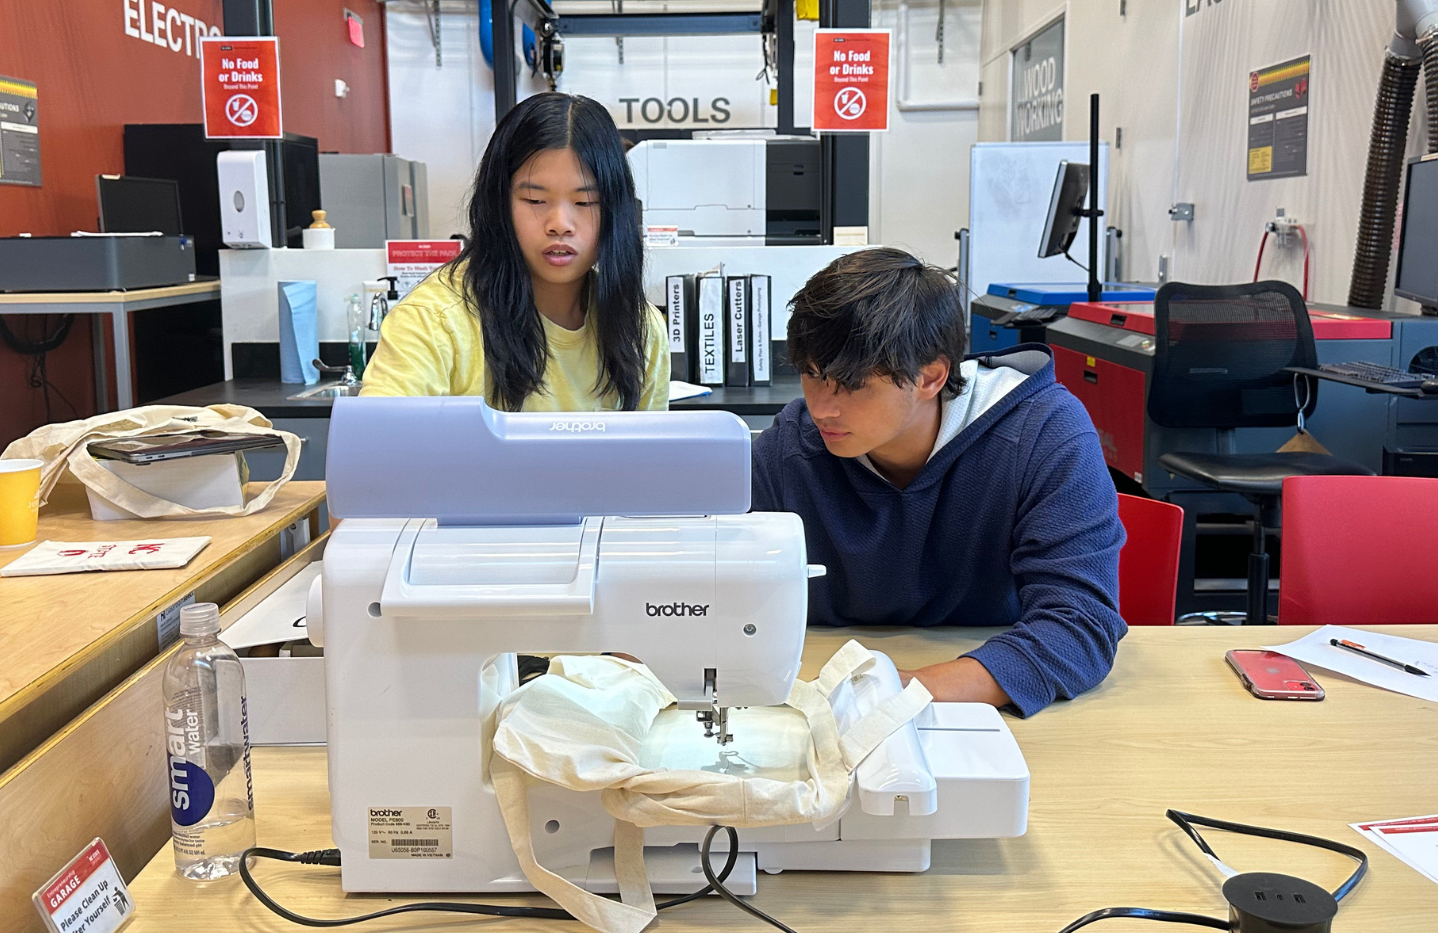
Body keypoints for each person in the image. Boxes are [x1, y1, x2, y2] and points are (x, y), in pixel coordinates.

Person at [751, 248, 1126, 716]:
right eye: (811, 375)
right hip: (823, 694)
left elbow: (1080, 624)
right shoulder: (786, 451)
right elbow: (717, 597)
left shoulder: (1044, 434)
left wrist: (905, 691)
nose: (822, 407)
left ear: (930, 377)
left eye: (852, 384)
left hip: (989, 709)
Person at [361, 93, 670, 411]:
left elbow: (649, 459)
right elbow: (375, 450)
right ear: (499, 204)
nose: (560, 224)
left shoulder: (639, 327)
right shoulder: (434, 321)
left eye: (584, 202)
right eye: (536, 201)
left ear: (615, 211)